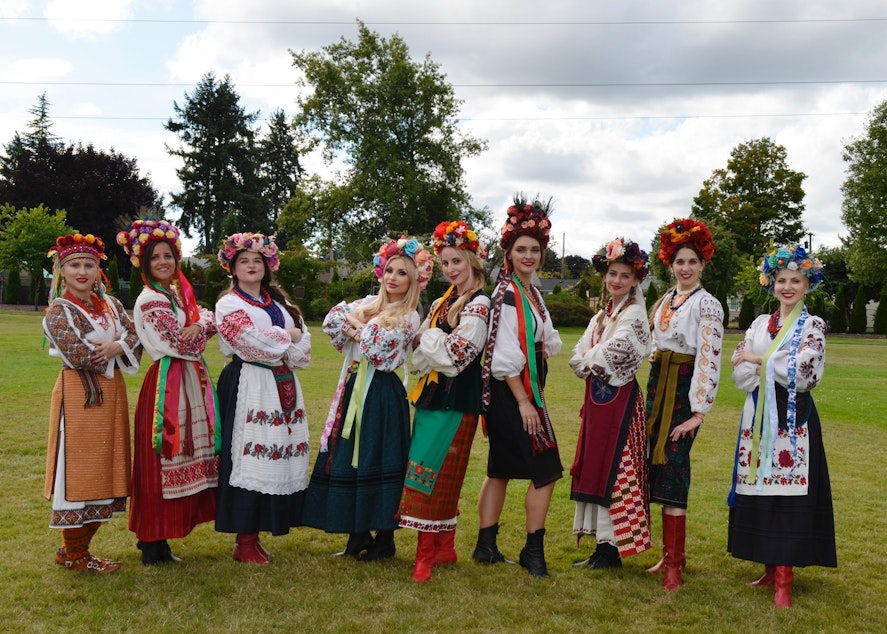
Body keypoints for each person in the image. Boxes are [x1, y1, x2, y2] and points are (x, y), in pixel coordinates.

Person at [303, 236, 432, 561]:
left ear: (413, 280)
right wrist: (359, 327)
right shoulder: (369, 303)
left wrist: (358, 328)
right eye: (390, 269)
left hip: (382, 393)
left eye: (402, 273)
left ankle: (384, 538)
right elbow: (333, 323)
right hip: (353, 387)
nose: (393, 277)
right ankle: (357, 533)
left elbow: (379, 351)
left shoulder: (411, 315)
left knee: (378, 456)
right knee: (348, 455)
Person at [728, 244, 836, 608]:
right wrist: (766, 365)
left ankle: (785, 580)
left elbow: (805, 371)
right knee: (761, 490)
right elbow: (738, 370)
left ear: (808, 286)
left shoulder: (812, 325)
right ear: (772, 283)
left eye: (796, 281)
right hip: (756, 417)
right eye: (782, 280)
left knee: (788, 492)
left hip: (793, 421)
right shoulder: (760, 323)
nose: (788, 287)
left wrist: (758, 359)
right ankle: (769, 567)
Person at [118, 219, 219, 565]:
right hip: (167, 383)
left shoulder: (172, 295)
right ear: (144, 265)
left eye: (168, 256)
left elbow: (204, 320)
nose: (163, 262)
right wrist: (201, 327)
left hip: (187, 379)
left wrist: (200, 325)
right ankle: (151, 538)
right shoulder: (150, 300)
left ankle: (160, 539)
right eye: (155, 257)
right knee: (159, 460)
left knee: (180, 457)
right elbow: (179, 343)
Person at [475, 196, 563, 579]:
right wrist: (526, 402)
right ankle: (533, 552)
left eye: (535, 250)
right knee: (546, 471)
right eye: (521, 249)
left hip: (515, 396)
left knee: (500, 470)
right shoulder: (508, 294)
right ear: (508, 254)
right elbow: (504, 355)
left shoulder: (530, 292)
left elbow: (549, 342)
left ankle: (485, 546)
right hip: (515, 397)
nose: (529, 255)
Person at [43, 233, 141, 573]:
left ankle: (73, 550)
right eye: (74, 265)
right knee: (79, 472)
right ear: (62, 271)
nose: (83, 271)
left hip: (111, 396)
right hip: (79, 395)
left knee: (108, 469)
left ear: (99, 270)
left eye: (89, 265)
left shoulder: (111, 305)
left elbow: (134, 334)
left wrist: (118, 346)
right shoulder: (58, 310)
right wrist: (119, 345)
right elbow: (78, 353)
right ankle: (77, 555)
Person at [399, 221, 490, 582]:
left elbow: (458, 357)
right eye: (446, 263)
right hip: (433, 398)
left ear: (472, 261)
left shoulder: (479, 303)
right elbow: (419, 354)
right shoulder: (443, 301)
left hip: (457, 402)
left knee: (436, 475)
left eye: (457, 261)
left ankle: (427, 554)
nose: (452, 269)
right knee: (423, 471)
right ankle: (443, 547)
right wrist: (431, 341)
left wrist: (430, 337)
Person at [213, 232, 312, 564]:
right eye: (244, 261)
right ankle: (244, 539)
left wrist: (284, 341)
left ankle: (259, 532)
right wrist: (289, 337)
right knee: (249, 457)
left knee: (276, 455)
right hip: (248, 383)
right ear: (233, 268)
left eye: (257, 261)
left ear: (268, 266)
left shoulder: (280, 305)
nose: (251, 266)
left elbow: (304, 352)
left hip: (282, 384)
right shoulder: (229, 303)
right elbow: (249, 342)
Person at [644, 219, 723, 590]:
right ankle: (669, 555)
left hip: (683, 393)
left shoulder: (707, 304)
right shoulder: (665, 299)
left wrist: (698, 412)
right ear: (670, 264)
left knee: (674, 468)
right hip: (658, 389)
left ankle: (675, 564)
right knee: (657, 469)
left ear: (702, 264)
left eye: (692, 261)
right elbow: (654, 344)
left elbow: (708, 358)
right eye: (680, 262)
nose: (686, 268)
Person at [568, 237, 652, 571]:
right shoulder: (603, 316)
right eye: (612, 274)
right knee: (598, 466)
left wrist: (588, 358)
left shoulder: (634, 316)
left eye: (624, 276)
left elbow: (612, 356)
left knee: (617, 470)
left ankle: (612, 548)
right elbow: (578, 355)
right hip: (599, 402)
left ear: (634, 281)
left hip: (621, 405)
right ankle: (601, 546)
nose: (616, 280)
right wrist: (589, 358)